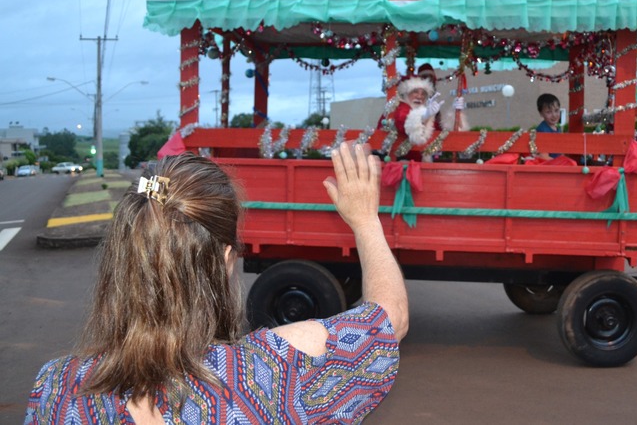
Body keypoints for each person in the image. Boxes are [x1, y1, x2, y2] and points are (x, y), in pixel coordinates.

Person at [25, 147, 408, 424]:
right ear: (226, 259)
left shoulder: (58, 389)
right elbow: (389, 319)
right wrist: (365, 221)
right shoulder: (273, 374)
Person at [535, 93, 562, 159]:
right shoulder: (542, 130)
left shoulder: (558, 128)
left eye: (556, 110)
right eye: (549, 112)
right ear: (541, 114)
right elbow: (543, 156)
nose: (554, 115)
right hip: (548, 164)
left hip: (556, 162)